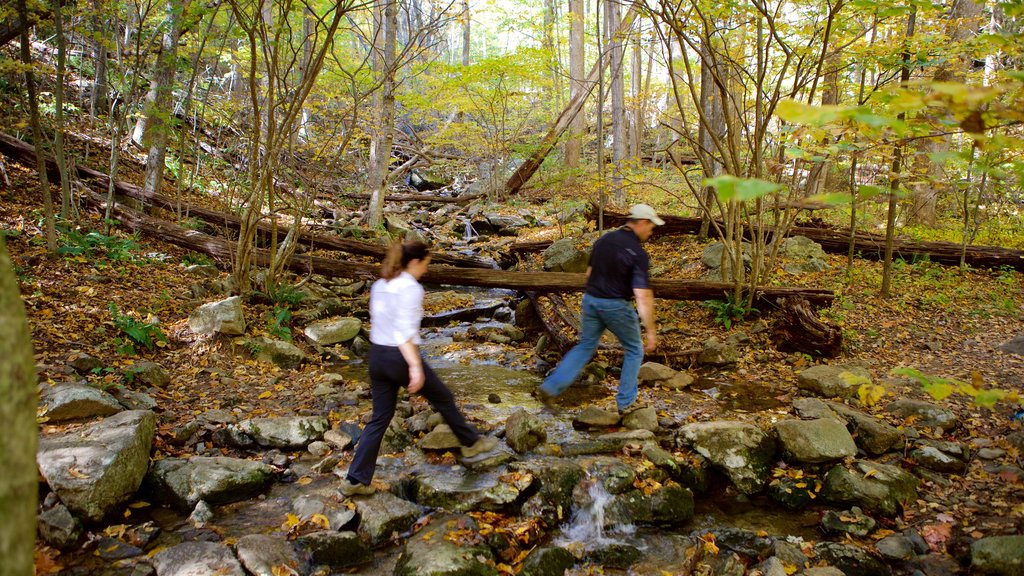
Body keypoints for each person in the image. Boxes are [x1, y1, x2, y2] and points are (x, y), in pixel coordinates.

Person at [340, 240, 498, 497]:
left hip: (377, 355)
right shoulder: (411, 288)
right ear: (414, 262)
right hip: (399, 356)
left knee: (380, 418)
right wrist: (415, 366)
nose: (426, 269)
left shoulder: (381, 284)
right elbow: (404, 331)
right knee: (443, 397)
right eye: (425, 264)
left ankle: (356, 479)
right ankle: (470, 444)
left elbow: (377, 320)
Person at [537, 204, 663, 414]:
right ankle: (626, 403)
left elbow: (589, 274)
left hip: (591, 301)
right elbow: (642, 294)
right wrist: (650, 331)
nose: (651, 232)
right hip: (616, 305)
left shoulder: (604, 240)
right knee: (634, 349)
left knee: (586, 346)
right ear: (641, 223)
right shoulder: (638, 254)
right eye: (651, 226)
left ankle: (550, 387)